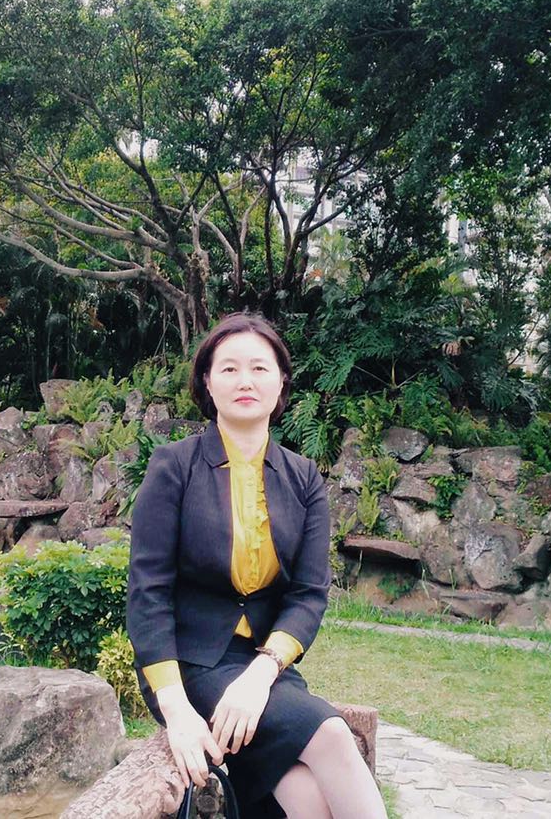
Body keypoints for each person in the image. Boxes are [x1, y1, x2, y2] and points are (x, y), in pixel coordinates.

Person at [127, 312, 387, 819]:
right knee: (333, 736)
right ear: (207, 382)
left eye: (259, 368)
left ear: (281, 381)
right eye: (229, 369)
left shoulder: (304, 478)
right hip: (189, 668)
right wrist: (177, 712)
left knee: (308, 799)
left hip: (264, 669)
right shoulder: (173, 467)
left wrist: (261, 673)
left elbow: (309, 594)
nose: (245, 381)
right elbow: (147, 593)